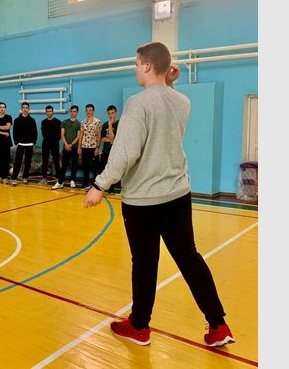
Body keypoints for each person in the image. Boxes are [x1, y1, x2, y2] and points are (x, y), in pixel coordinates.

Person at [83, 42, 234, 348]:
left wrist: (100, 184)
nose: (135, 69)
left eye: (137, 63)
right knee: (189, 258)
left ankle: (139, 326)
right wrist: (169, 81)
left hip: (144, 201)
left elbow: (125, 152)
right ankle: (218, 325)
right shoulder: (182, 101)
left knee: (144, 263)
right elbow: (165, 103)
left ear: (148, 66)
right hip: (178, 195)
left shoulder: (137, 104)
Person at [52, 105, 81, 189]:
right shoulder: (64, 122)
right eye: (71, 111)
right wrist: (66, 145)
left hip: (74, 147)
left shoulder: (79, 123)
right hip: (66, 147)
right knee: (64, 165)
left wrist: (71, 144)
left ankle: (72, 180)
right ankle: (60, 182)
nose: (72, 113)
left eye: (74, 111)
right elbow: (62, 134)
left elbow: (78, 136)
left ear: (77, 112)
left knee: (74, 165)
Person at [10, 102, 38, 186]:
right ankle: (14, 179)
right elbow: (14, 132)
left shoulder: (32, 120)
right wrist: (17, 142)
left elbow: (35, 132)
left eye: (26, 108)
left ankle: (25, 177)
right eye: (23, 108)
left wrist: (33, 142)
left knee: (28, 162)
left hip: (29, 144)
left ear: (28, 109)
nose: (25, 109)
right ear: (21, 109)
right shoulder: (17, 120)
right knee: (17, 162)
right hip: (20, 144)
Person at [77, 103, 102, 191]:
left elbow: (99, 136)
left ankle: (94, 184)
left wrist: (97, 147)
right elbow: (81, 135)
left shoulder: (97, 122)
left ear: (93, 111)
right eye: (87, 110)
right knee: (85, 166)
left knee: (95, 167)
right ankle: (86, 183)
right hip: (84, 147)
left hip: (93, 147)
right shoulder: (83, 122)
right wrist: (79, 147)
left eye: (90, 110)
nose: (88, 112)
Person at [98, 105, 120, 194]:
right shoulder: (104, 125)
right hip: (106, 151)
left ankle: (111, 189)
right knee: (102, 169)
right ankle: (101, 187)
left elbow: (112, 136)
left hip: (115, 151)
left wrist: (110, 125)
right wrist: (112, 140)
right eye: (109, 114)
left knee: (113, 170)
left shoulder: (120, 124)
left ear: (116, 113)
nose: (111, 115)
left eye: (112, 113)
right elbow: (103, 138)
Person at [40, 105, 62, 184]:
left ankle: (58, 178)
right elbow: (43, 133)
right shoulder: (43, 122)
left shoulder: (58, 121)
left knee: (56, 160)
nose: (49, 113)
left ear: (52, 112)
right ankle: (44, 178)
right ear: (46, 112)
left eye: (50, 111)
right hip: (45, 143)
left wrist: (55, 140)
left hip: (55, 143)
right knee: (44, 161)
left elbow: (60, 134)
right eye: (48, 111)